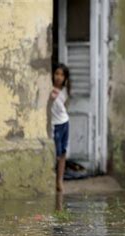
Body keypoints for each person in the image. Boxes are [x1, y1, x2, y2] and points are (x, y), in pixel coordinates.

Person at [50, 63, 71, 192]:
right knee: (56, 154)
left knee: (63, 153)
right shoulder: (49, 88)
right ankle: (53, 180)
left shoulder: (65, 91)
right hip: (54, 125)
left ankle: (60, 181)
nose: (59, 77)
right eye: (57, 73)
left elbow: (65, 106)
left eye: (62, 75)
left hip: (64, 123)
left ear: (65, 78)